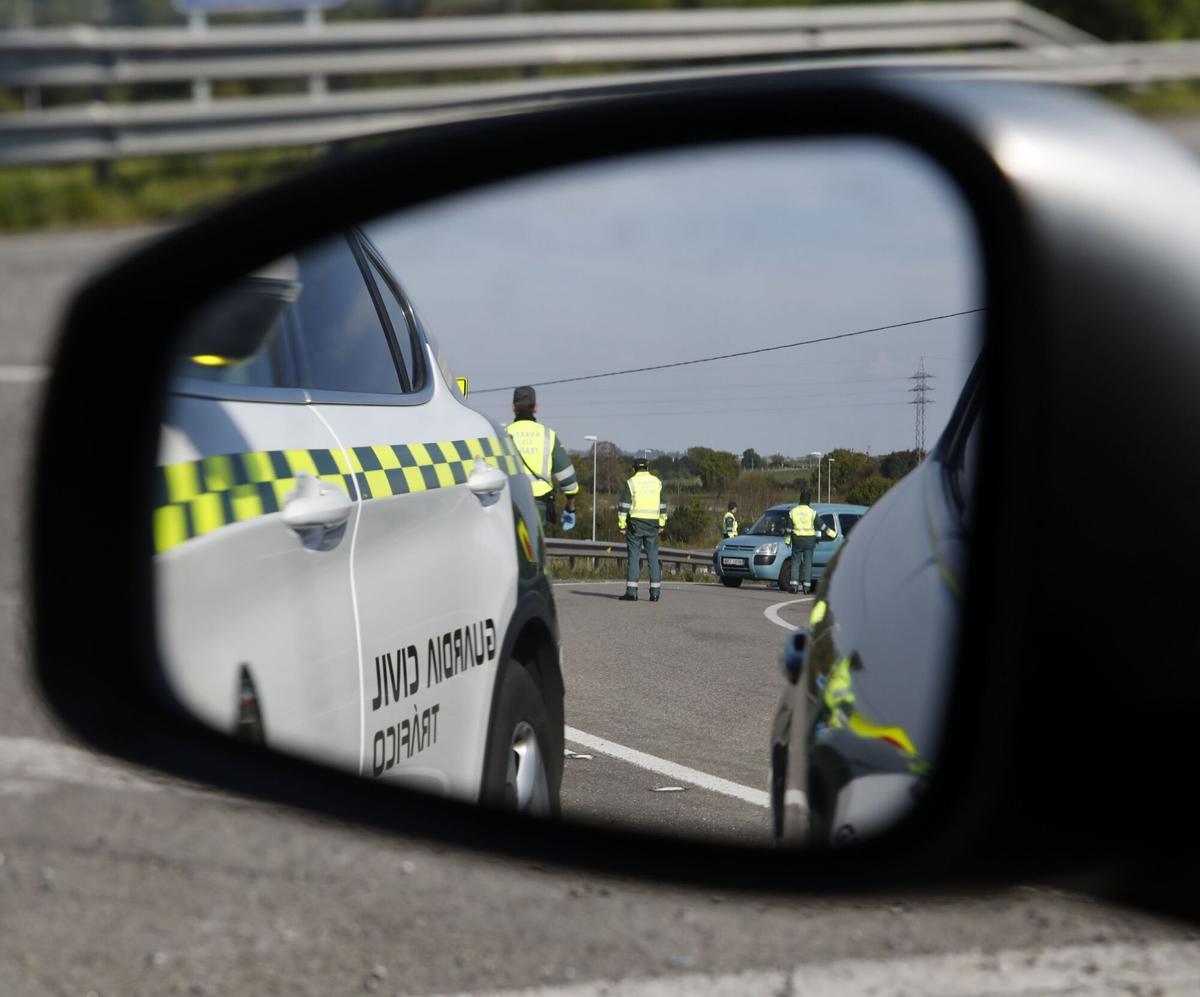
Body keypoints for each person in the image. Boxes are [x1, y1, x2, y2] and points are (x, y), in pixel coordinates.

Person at [504, 385, 579, 529]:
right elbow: (568, 479)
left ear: (513, 407)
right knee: (536, 547)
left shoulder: (503, 435)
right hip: (540, 506)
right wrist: (570, 507)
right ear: (536, 408)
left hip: (511, 504)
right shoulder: (548, 436)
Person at [617, 457, 668, 602]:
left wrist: (622, 525)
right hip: (653, 524)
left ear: (634, 469)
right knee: (653, 557)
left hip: (635, 525)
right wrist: (662, 523)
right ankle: (655, 593)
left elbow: (624, 506)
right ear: (647, 468)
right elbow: (663, 505)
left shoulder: (631, 483)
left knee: (634, 556)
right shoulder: (657, 482)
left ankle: (632, 592)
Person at [787, 490, 836, 595]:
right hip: (809, 541)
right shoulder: (812, 513)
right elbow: (822, 525)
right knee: (808, 564)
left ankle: (794, 586)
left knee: (796, 563)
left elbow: (788, 529)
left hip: (797, 540)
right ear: (808, 501)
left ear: (800, 499)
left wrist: (788, 540)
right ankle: (807, 588)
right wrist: (832, 533)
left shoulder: (793, 512)